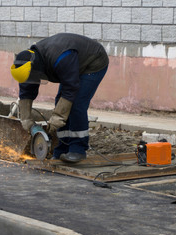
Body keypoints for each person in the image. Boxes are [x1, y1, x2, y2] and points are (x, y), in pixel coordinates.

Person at [10, 33, 109, 163]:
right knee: (60, 103)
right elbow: (26, 92)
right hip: (72, 66)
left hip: (93, 61)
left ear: (35, 68)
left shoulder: (61, 57)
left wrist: (57, 117)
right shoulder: (24, 65)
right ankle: (62, 147)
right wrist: (26, 119)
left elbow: (70, 88)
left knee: (76, 103)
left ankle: (78, 149)